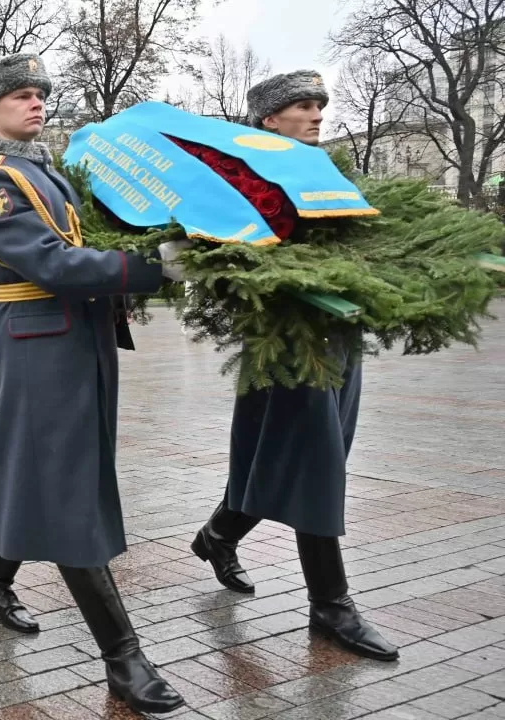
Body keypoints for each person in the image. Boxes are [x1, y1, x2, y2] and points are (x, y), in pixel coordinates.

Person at [0, 53, 190, 714]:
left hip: (71, 339)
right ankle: (125, 661)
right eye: (22, 96)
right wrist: (149, 268)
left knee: (44, 471)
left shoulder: (49, 174)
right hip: (41, 343)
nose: (36, 104)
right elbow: (52, 263)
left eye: (40, 94)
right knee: (66, 493)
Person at [190, 70, 398, 662]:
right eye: (303, 106)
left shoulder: (331, 175)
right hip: (286, 341)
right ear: (269, 121)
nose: (315, 115)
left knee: (291, 457)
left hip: (337, 338)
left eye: (319, 106)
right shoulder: (249, 180)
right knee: (314, 463)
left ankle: (218, 535)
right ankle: (331, 605)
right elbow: (233, 258)